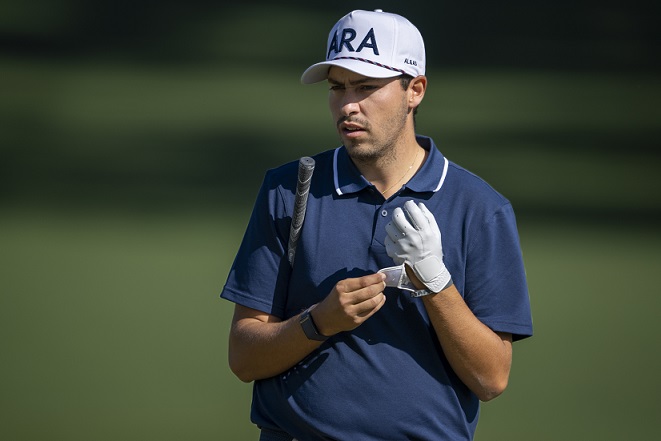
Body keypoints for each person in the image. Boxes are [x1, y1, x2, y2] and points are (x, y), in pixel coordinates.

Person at [220, 9, 533, 441]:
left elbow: (491, 379)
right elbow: (244, 358)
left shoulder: (480, 208)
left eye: (367, 87)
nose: (348, 105)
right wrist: (320, 321)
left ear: (415, 90)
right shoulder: (288, 190)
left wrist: (435, 283)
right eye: (337, 88)